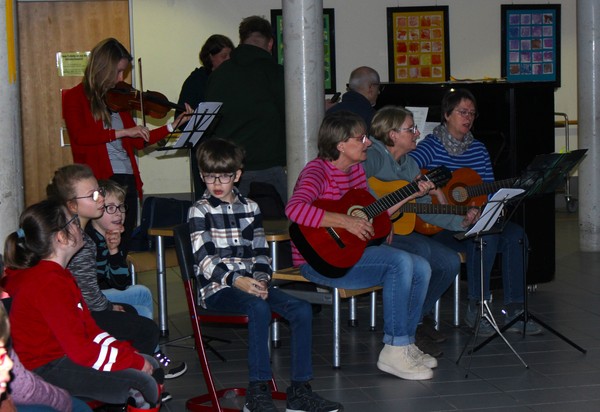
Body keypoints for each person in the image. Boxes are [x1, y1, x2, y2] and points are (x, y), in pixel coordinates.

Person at [189, 138, 342, 412]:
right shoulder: (199, 210)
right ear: (202, 176)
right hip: (218, 289)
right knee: (258, 308)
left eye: (224, 176)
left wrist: (261, 280)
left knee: (302, 309)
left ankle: (299, 391)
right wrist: (237, 280)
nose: (217, 183)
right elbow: (204, 260)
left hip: (252, 285)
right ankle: (257, 391)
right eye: (210, 176)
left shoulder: (251, 207)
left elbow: (260, 252)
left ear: (237, 174)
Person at [286, 111, 436, 381]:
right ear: (341, 144)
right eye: (362, 138)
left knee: (422, 266)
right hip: (319, 262)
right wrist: (345, 221)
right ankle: (394, 348)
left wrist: (412, 192)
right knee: (400, 261)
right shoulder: (316, 171)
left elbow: (374, 211)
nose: (368, 143)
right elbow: (295, 209)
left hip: (353, 254)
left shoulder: (355, 171)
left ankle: (405, 343)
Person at [2, 200, 162, 409]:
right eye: (74, 223)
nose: (80, 227)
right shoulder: (47, 282)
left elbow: (91, 330)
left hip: (63, 357)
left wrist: (128, 354)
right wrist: (133, 362)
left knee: (151, 364)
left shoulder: (60, 275)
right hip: (45, 368)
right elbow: (81, 350)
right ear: (62, 237)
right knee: (143, 384)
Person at [409, 88, 542, 336]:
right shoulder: (431, 146)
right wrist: (435, 191)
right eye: (462, 112)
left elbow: (488, 190)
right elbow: (407, 169)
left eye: (472, 113)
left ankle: (515, 309)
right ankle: (478, 308)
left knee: (517, 236)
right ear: (447, 115)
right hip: (441, 226)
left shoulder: (478, 149)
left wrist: (490, 205)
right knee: (486, 237)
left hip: (474, 221)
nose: (468, 118)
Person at [46, 164, 187, 385]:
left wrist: (114, 252)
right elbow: (88, 294)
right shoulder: (78, 240)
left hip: (85, 304)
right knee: (139, 316)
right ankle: (141, 377)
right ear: (72, 205)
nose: (99, 199)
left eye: (99, 193)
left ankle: (148, 364)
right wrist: (109, 306)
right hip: (78, 310)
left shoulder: (86, 236)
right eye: (93, 196)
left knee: (139, 296)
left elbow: (118, 282)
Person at [363, 106, 480, 356]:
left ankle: (416, 319)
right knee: (423, 251)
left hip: (401, 232)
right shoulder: (371, 154)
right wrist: (384, 219)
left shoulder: (410, 164)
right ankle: (410, 331)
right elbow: (356, 187)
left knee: (449, 262)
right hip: (373, 232)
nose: (417, 133)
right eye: (411, 129)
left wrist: (462, 221)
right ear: (393, 134)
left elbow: (425, 210)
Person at [62, 37, 193, 251]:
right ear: (103, 68)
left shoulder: (118, 98)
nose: (121, 78)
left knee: (124, 242)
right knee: (100, 244)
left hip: (127, 178)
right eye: (118, 72)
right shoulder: (75, 97)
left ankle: (122, 280)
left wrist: (172, 126)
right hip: (100, 181)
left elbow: (139, 142)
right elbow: (80, 136)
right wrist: (122, 132)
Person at [205, 16, 287, 202]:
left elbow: (211, 122)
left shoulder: (219, 74)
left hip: (229, 166)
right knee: (289, 224)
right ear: (270, 43)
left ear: (241, 40)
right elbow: (291, 116)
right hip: (270, 165)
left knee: (231, 225)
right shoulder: (275, 73)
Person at [176, 34, 234, 200]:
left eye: (231, 56)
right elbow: (180, 120)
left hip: (228, 150)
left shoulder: (232, 80)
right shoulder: (197, 80)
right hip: (205, 151)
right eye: (224, 56)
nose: (228, 60)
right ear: (210, 56)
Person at [86, 179, 154, 320]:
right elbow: (92, 285)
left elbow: (121, 283)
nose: (118, 213)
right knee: (142, 293)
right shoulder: (90, 240)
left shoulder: (113, 237)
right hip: (88, 301)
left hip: (101, 297)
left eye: (121, 207)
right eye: (110, 208)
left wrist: (114, 251)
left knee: (143, 312)